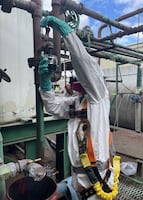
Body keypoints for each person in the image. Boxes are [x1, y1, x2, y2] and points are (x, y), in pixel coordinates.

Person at [38, 16, 120, 200]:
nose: (84, 81)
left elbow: (85, 64)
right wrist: (45, 84)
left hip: (99, 184)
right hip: (79, 183)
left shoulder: (98, 98)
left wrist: (67, 33)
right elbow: (52, 106)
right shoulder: (76, 102)